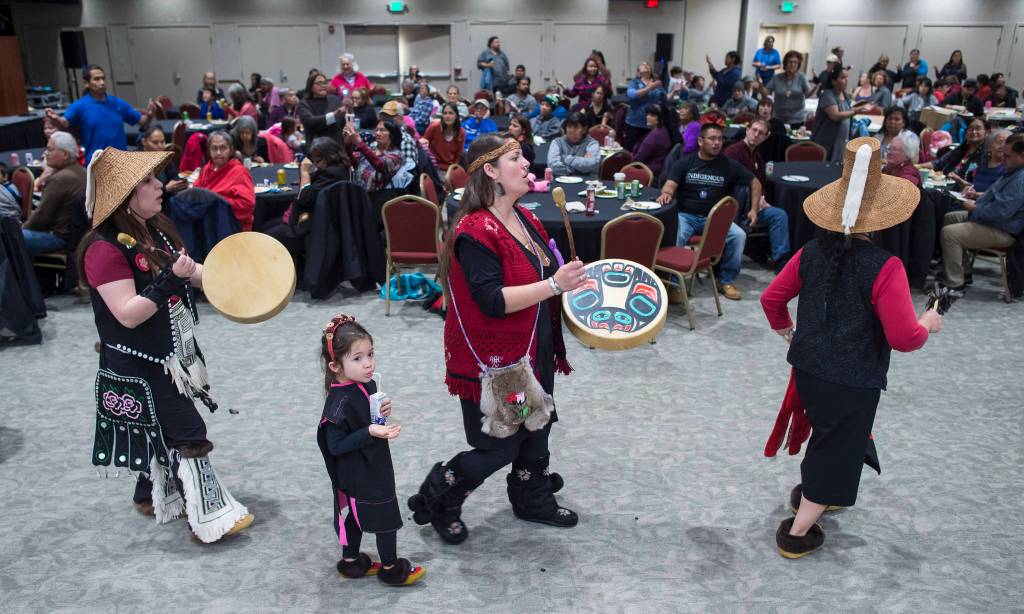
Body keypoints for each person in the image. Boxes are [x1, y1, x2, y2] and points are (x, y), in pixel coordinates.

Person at [760, 136, 940, 559]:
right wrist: (928, 323)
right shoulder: (886, 267)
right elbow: (904, 338)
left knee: (827, 436)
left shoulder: (811, 252)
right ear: (880, 218)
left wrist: (787, 331)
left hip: (808, 369)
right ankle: (797, 533)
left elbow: (771, 298)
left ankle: (810, 494)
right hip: (852, 379)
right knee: (838, 448)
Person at [407, 133, 586, 544]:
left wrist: (569, 281)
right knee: (501, 444)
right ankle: (441, 493)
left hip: (531, 346)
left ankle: (531, 494)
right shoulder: (475, 231)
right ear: (490, 171)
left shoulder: (526, 219)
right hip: (496, 361)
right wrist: (554, 285)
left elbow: (545, 277)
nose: (526, 164)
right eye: (516, 158)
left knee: (536, 425)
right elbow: (491, 301)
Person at [77, 147, 253, 543]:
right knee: (187, 430)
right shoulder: (103, 249)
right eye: (148, 181)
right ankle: (210, 519)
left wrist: (236, 280)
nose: (160, 185)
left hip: (164, 353)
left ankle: (150, 496)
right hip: (135, 360)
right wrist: (169, 280)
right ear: (125, 196)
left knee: (155, 430)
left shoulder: (153, 228)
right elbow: (127, 314)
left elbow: (189, 272)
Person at [315, 314, 426, 586]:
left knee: (355, 514)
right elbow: (335, 446)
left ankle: (351, 561)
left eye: (370, 354)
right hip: (360, 472)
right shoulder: (338, 404)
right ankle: (391, 568)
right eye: (357, 358)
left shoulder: (367, 384)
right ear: (335, 366)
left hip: (372, 461)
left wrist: (381, 414)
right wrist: (370, 431)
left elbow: (369, 419)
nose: (368, 363)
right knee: (384, 512)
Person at [655, 122, 752, 300]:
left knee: (739, 235)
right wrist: (666, 193)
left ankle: (726, 280)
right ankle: (673, 285)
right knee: (677, 234)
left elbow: (755, 182)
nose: (717, 143)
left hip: (714, 219)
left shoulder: (728, 164)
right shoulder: (685, 162)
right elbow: (670, 184)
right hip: (686, 216)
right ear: (700, 141)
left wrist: (754, 209)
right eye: (712, 139)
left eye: (720, 139)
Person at [939, 133, 1024, 295]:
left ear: (1022, 156)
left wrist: (974, 209)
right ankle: (964, 271)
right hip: (994, 221)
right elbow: (998, 195)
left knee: (949, 234)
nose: (1003, 158)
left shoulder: (1020, 179)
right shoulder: (1013, 170)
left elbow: (1000, 213)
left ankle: (954, 283)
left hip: (1003, 230)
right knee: (951, 218)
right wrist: (978, 196)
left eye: (1008, 156)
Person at [264, 137, 352, 260]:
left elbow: (304, 199)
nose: (315, 165)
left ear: (329, 157)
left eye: (317, 161)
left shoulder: (331, 174)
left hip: (314, 229)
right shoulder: (340, 168)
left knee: (267, 237)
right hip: (316, 220)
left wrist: (305, 173)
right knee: (266, 227)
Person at [45, 65, 155, 161]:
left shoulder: (117, 103)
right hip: (96, 162)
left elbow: (142, 122)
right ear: (86, 84)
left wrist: (150, 115)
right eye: (97, 79)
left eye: (103, 78)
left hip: (120, 162)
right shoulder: (80, 105)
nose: (102, 82)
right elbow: (65, 123)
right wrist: (56, 118)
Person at [724, 118, 790, 267]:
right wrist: (757, 200)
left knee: (779, 215)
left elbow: (761, 183)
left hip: (754, 206)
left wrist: (762, 199)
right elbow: (733, 186)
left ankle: (780, 259)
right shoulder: (733, 152)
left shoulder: (756, 155)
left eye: (760, 133)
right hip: (736, 208)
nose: (756, 135)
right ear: (747, 130)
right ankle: (750, 247)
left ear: (766, 137)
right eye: (754, 130)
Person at [21, 132, 85, 254]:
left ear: (65, 154)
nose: (45, 153)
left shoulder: (60, 178)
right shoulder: (83, 171)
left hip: (60, 238)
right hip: (79, 236)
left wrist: (21, 228)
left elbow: (41, 217)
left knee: (9, 237)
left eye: (50, 150)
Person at [194, 131, 256, 231]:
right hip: (208, 222)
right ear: (209, 151)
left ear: (231, 150)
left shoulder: (239, 172)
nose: (218, 152)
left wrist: (216, 202)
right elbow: (196, 193)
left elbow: (247, 205)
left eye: (223, 148)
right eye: (214, 148)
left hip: (232, 227)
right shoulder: (206, 169)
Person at [343, 121, 404, 192]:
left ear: (392, 134)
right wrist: (348, 144)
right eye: (376, 130)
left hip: (380, 196)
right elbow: (354, 162)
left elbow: (381, 165)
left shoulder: (396, 155)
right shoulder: (372, 147)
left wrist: (359, 142)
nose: (377, 133)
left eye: (382, 130)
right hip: (359, 193)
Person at [811, 66, 855, 163]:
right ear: (834, 81)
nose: (846, 80)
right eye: (843, 78)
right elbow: (835, 116)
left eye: (847, 77)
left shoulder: (846, 95)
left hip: (841, 142)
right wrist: (855, 111)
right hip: (826, 142)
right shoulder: (827, 95)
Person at [922, 116, 989, 178]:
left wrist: (958, 179)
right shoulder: (960, 150)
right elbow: (938, 163)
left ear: (987, 132)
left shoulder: (985, 155)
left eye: (978, 129)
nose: (973, 132)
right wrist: (918, 166)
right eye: (970, 129)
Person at [762, 51, 811, 129]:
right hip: (778, 118)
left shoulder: (802, 77)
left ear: (798, 64)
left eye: (795, 62)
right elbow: (766, 92)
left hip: (797, 119)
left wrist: (816, 86)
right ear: (785, 63)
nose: (793, 65)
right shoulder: (777, 78)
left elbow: (808, 94)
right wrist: (759, 85)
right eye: (790, 62)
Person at [624, 62, 666, 151]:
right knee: (632, 150)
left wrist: (673, 92)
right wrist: (650, 88)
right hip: (635, 123)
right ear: (639, 71)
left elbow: (664, 100)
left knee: (648, 151)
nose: (646, 65)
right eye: (643, 65)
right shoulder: (634, 82)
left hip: (652, 125)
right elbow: (632, 95)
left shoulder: (656, 82)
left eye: (648, 64)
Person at [631, 104, 680, 179]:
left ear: (661, 119)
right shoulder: (665, 130)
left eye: (652, 115)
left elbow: (637, 160)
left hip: (648, 174)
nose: (648, 117)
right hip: (658, 172)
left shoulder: (656, 135)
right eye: (648, 114)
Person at [547, 112, 600, 178]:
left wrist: (566, 158)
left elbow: (593, 164)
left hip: (586, 181)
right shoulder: (557, 142)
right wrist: (580, 168)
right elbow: (553, 167)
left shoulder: (592, 143)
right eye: (569, 127)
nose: (572, 131)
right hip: (562, 181)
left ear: (584, 129)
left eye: (576, 127)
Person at [299, 72, 345, 146]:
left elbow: (343, 122)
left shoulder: (334, 99)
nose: (323, 86)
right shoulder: (304, 103)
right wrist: (333, 116)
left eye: (325, 83)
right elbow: (310, 122)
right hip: (316, 147)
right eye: (319, 83)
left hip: (337, 145)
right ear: (311, 86)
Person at [139, 125, 187, 196]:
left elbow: (174, 177)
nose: (160, 146)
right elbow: (143, 194)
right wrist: (166, 189)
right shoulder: (137, 162)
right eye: (155, 142)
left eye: (162, 142)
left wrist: (179, 184)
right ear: (144, 142)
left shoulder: (164, 157)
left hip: (169, 197)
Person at [961, 130, 1009, 196]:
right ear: (990, 144)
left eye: (1006, 143)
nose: (1002, 146)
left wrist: (976, 195)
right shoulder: (982, 161)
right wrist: (969, 188)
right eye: (999, 142)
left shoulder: (1008, 168)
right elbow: (976, 184)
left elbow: (1001, 195)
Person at [422, 102, 465, 172]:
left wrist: (453, 170)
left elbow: (459, 155)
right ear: (442, 116)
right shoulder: (434, 127)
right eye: (445, 113)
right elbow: (423, 142)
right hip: (434, 167)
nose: (447, 116)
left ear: (456, 116)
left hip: (450, 168)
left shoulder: (461, 132)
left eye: (451, 113)